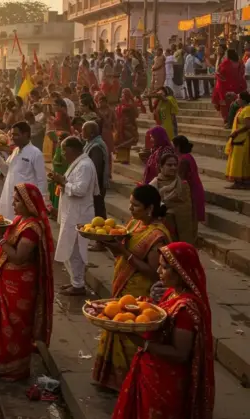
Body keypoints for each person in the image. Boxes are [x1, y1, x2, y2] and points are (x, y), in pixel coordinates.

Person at [111, 242, 214, 419]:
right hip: (150, 370)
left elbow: (180, 353)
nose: (158, 271)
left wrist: (143, 343)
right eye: (159, 265)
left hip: (165, 381)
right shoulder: (172, 293)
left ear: (181, 272)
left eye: (165, 268)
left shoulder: (185, 309)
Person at [93, 184, 171, 390]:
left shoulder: (157, 235)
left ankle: (128, 382)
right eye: (130, 204)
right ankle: (110, 379)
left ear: (150, 208)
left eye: (135, 206)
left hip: (139, 293)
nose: (130, 209)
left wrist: (123, 253)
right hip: (123, 285)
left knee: (128, 333)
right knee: (115, 325)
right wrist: (113, 246)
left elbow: (154, 272)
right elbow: (123, 252)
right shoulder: (135, 223)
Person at [0, 183, 54, 380]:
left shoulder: (32, 228)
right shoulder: (20, 220)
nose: (13, 204)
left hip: (20, 287)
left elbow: (19, 257)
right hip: (7, 281)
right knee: (1, 325)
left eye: (17, 201)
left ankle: (13, 369)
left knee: (15, 327)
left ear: (29, 204)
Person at [50, 137, 98, 296]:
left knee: (75, 251)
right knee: (69, 249)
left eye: (64, 150)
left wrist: (63, 182)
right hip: (72, 213)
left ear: (73, 149)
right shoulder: (78, 163)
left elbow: (80, 190)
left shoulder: (84, 165)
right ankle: (74, 281)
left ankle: (78, 285)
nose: (63, 153)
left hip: (79, 215)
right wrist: (60, 180)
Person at [0, 121, 51, 221]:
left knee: (23, 225)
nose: (12, 137)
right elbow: (6, 171)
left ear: (25, 134)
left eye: (16, 134)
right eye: (12, 135)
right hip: (9, 196)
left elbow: (42, 180)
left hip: (25, 201)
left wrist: (42, 202)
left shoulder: (35, 153)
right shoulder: (15, 151)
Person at [150, 154, 197, 244]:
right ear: (161, 167)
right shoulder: (154, 185)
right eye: (169, 165)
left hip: (183, 229)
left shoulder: (183, 184)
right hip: (162, 230)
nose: (173, 168)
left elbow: (190, 209)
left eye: (175, 165)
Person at [172, 136, 206, 223]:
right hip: (193, 188)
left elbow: (180, 178)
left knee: (190, 220)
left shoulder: (184, 160)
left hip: (191, 191)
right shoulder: (187, 156)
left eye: (173, 145)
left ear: (177, 147)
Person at [81, 121, 110, 220]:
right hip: (93, 184)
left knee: (98, 210)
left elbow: (95, 169)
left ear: (92, 133)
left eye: (83, 130)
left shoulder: (96, 147)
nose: (81, 133)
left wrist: (89, 184)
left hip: (97, 185)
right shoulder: (90, 143)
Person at [213, 49, 247, 123]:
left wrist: (219, 76)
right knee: (236, 102)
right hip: (237, 86)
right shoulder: (240, 62)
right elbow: (242, 73)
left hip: (225, 86)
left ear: (228, 55)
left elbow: (219, 72)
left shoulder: (226, 62)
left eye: (226, 54)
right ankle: (235, 118)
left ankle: (227, 120)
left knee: (224, 104)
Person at [226, 92, 250, 189]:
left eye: (238, 98)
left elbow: (248, 125)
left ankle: (241, 182)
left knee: (239, 161)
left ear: (243, 100)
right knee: (237, 160)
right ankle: (239, 182)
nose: (237, 100)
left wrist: (236, 132)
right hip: (238, 139)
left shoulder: (247, 109)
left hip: (242, 139)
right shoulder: (241, 109)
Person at [115, 89, 140, 164]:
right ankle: (120, 157)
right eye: (122, 93)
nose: (123, 95)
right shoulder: (122, 102)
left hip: (128, 125)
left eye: (124, 93)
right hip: (121, 124)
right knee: (120, 140)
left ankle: (125, 159)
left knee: (126, 142)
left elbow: (135, 114)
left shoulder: (131, 103)